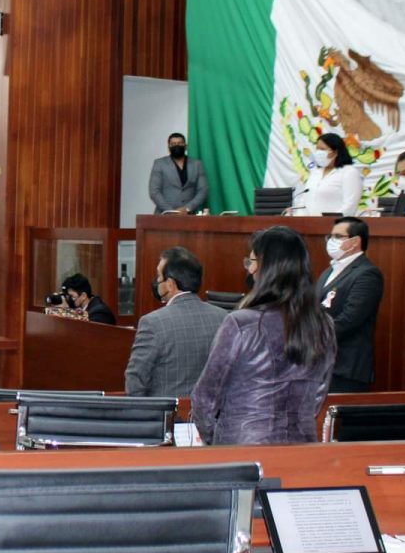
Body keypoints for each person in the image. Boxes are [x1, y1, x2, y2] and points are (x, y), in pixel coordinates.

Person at [191, 226, 336, 445]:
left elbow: (204, 397)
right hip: (302, 445)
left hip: (244, 448)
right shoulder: (323, 324)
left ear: (267, 267)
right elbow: (318, 394)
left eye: (252, 261)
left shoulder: (240, 324)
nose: (250, 270)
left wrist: (218, 440)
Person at [124, 247, 227, 397]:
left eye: (158, 276)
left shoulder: (152, 323)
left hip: (167, 411)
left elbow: (135, 382)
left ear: (170, 284)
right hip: (210, 410)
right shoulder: (224, 318)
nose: (156, 281)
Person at [320, 217, 384, 393]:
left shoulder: (367, 274)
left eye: (338, 236)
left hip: (346, 368)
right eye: (330, 236)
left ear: (355, 241)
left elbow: (350, 319)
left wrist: (313, 336)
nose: (331, 241)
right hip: (322, 364)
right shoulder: (329, 271)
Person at [292, 132, 361, 217]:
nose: (318, 152)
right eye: (317, 149)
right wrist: (300, 218)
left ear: (335, 152)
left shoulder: (349, 172)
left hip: (335, 223)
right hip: (308, 223)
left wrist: (330, 221)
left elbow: (350, 205)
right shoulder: (316, 172)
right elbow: (304, 201)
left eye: (322, 149)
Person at [149, 133, 209, 214]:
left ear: (185, 146)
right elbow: (154, 192)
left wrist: (187, 208)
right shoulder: (159, 164)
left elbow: (203, 190)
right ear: (169, 147)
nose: (176, 145)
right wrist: (171, 211)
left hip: (189, 215)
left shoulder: (197, 164)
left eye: (180, 143)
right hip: (164, 215)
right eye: (173, 144)